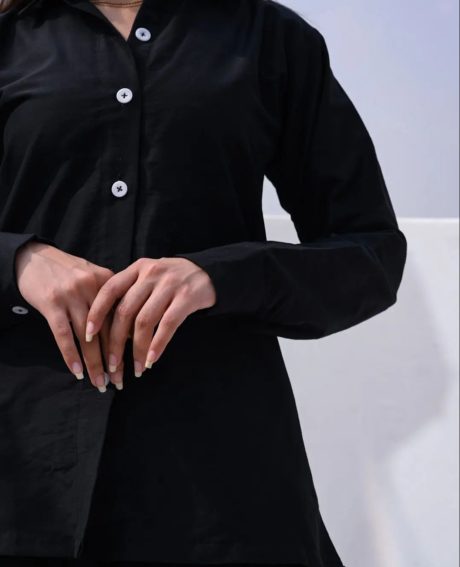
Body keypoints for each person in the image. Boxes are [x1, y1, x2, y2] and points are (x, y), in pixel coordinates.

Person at [0, 0, 408, 566]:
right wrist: (18, 261)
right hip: (23, 482)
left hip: (220, 488)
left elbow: (372, 254)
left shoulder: (268, 37)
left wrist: (219, 275)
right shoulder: (11, 36)